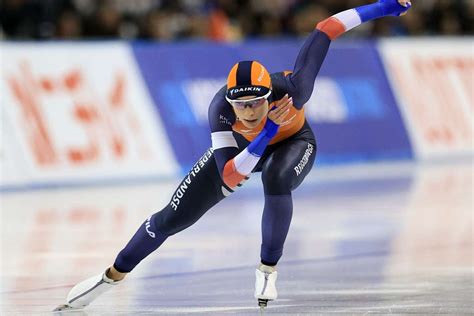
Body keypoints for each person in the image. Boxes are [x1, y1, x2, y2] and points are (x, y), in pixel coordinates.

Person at [55, 0, 412, 311]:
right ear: (230, 103)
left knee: (276, 178)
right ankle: (110, 276)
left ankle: (267, 269)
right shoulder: (219, 112)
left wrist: (382, 7)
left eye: (257, 102)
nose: (251, 111)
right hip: (243, 153)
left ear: (269, 94)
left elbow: (325, 29)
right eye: (242, 105)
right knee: (169, 219)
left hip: (294, 143)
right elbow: (229, 175)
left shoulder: (293, 88)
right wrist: (267, 130)